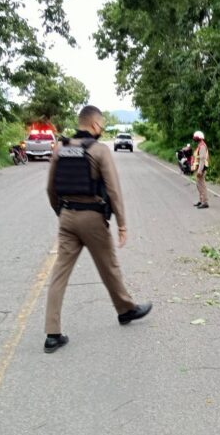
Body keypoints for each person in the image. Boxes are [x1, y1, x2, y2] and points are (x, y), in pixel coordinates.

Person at [43, 105, 152, 353]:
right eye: (101, 126)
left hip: (67, 216)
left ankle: (52, 334)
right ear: (94, 125)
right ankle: (125, 310)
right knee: (109, 266)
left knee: (59, 274)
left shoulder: (61, 148)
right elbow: (113, 190)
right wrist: (122, 224)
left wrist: (61, 211)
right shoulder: (100, 150)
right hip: (92, 217)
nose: (101, 130)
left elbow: (51, 188)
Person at [192, 130, 210, 208]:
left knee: (201, 185)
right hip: (199, 168)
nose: (194, 139)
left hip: (201, 169)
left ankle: (205, 202)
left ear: (198, 138)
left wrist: (199, 171)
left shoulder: (202, 146)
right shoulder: (200, 145)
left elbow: (202, 159)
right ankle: (201, 200)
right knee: (198, 185)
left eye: (195, 137)